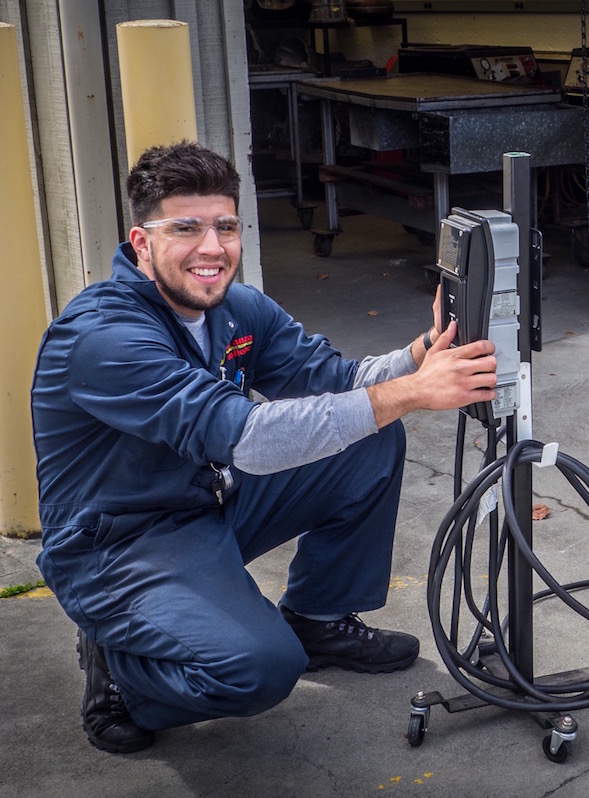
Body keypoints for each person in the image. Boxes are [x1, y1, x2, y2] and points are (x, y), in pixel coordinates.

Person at [31, 140, 497, 755]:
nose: (212, 248)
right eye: (186, 228)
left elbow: (343, 382)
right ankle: (121, 671)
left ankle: (319, 619)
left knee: (366, 440)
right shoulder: (104, 338)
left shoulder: (237, 309)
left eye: (225, 226)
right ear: (141, 243)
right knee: (259, 670)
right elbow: (248, 438)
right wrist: (413, 392)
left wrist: (422, 353)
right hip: (118, 544)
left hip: (203, 505)